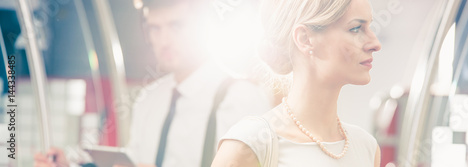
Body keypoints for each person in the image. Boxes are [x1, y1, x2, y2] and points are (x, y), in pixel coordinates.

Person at [34, 0, 271, 166]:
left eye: (176, 26)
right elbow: (137, 160)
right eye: (155, 29)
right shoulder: (149, 98)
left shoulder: (242, 97)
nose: (164, 40)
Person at [212, 0, 382, 166]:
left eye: (370, 27)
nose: (375, 44)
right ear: (305, 38)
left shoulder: (367, 147)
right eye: (355, 29)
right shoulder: (251, 143)